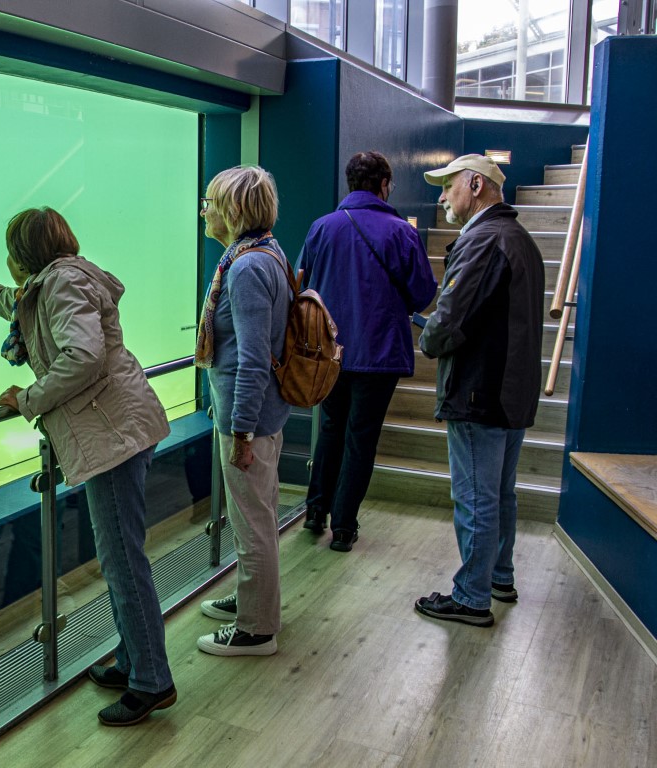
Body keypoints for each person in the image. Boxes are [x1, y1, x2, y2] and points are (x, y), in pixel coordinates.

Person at [0, 207, 176, 726]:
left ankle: (152, 680)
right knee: (120, 559)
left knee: (123, 563)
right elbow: (4, 300)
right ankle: (133, 661)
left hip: (112, 436)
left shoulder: (60, 284)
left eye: (10, 251)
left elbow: (83, 356)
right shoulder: (53, 283)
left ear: (24, 256)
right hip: (116, 429)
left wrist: (28, 398)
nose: (8, 261)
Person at [414, 154, 544, 627]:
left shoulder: (484, 239)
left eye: (448, 186)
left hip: (480, 392)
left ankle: (471, 596)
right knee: (500, 494)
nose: (442, 198)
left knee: (476, 498)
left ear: (475, 185)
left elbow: (450, 318)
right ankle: (499, 577)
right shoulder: (519, 238)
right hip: (513, 391)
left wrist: (428, 339)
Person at [298, 151, 438, 552]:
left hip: (330, 353)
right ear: (384, 185)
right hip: (380, 353)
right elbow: (423, 294)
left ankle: (315, 510)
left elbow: (303, 284)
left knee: (331, 428)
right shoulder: (402, 233)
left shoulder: (321, 227)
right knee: (361, 437)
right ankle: (343, 527)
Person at [193, 166, 291, 656]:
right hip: (261, 414)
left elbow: (253, 359)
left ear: (232, 210)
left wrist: (242, 433)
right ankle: (255, 599)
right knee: (259, 516)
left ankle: (256, 629)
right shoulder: (266, 252)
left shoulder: (247, 268)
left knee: (252, 523)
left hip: (249, 420)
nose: (203, 212)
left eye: (210, 203)